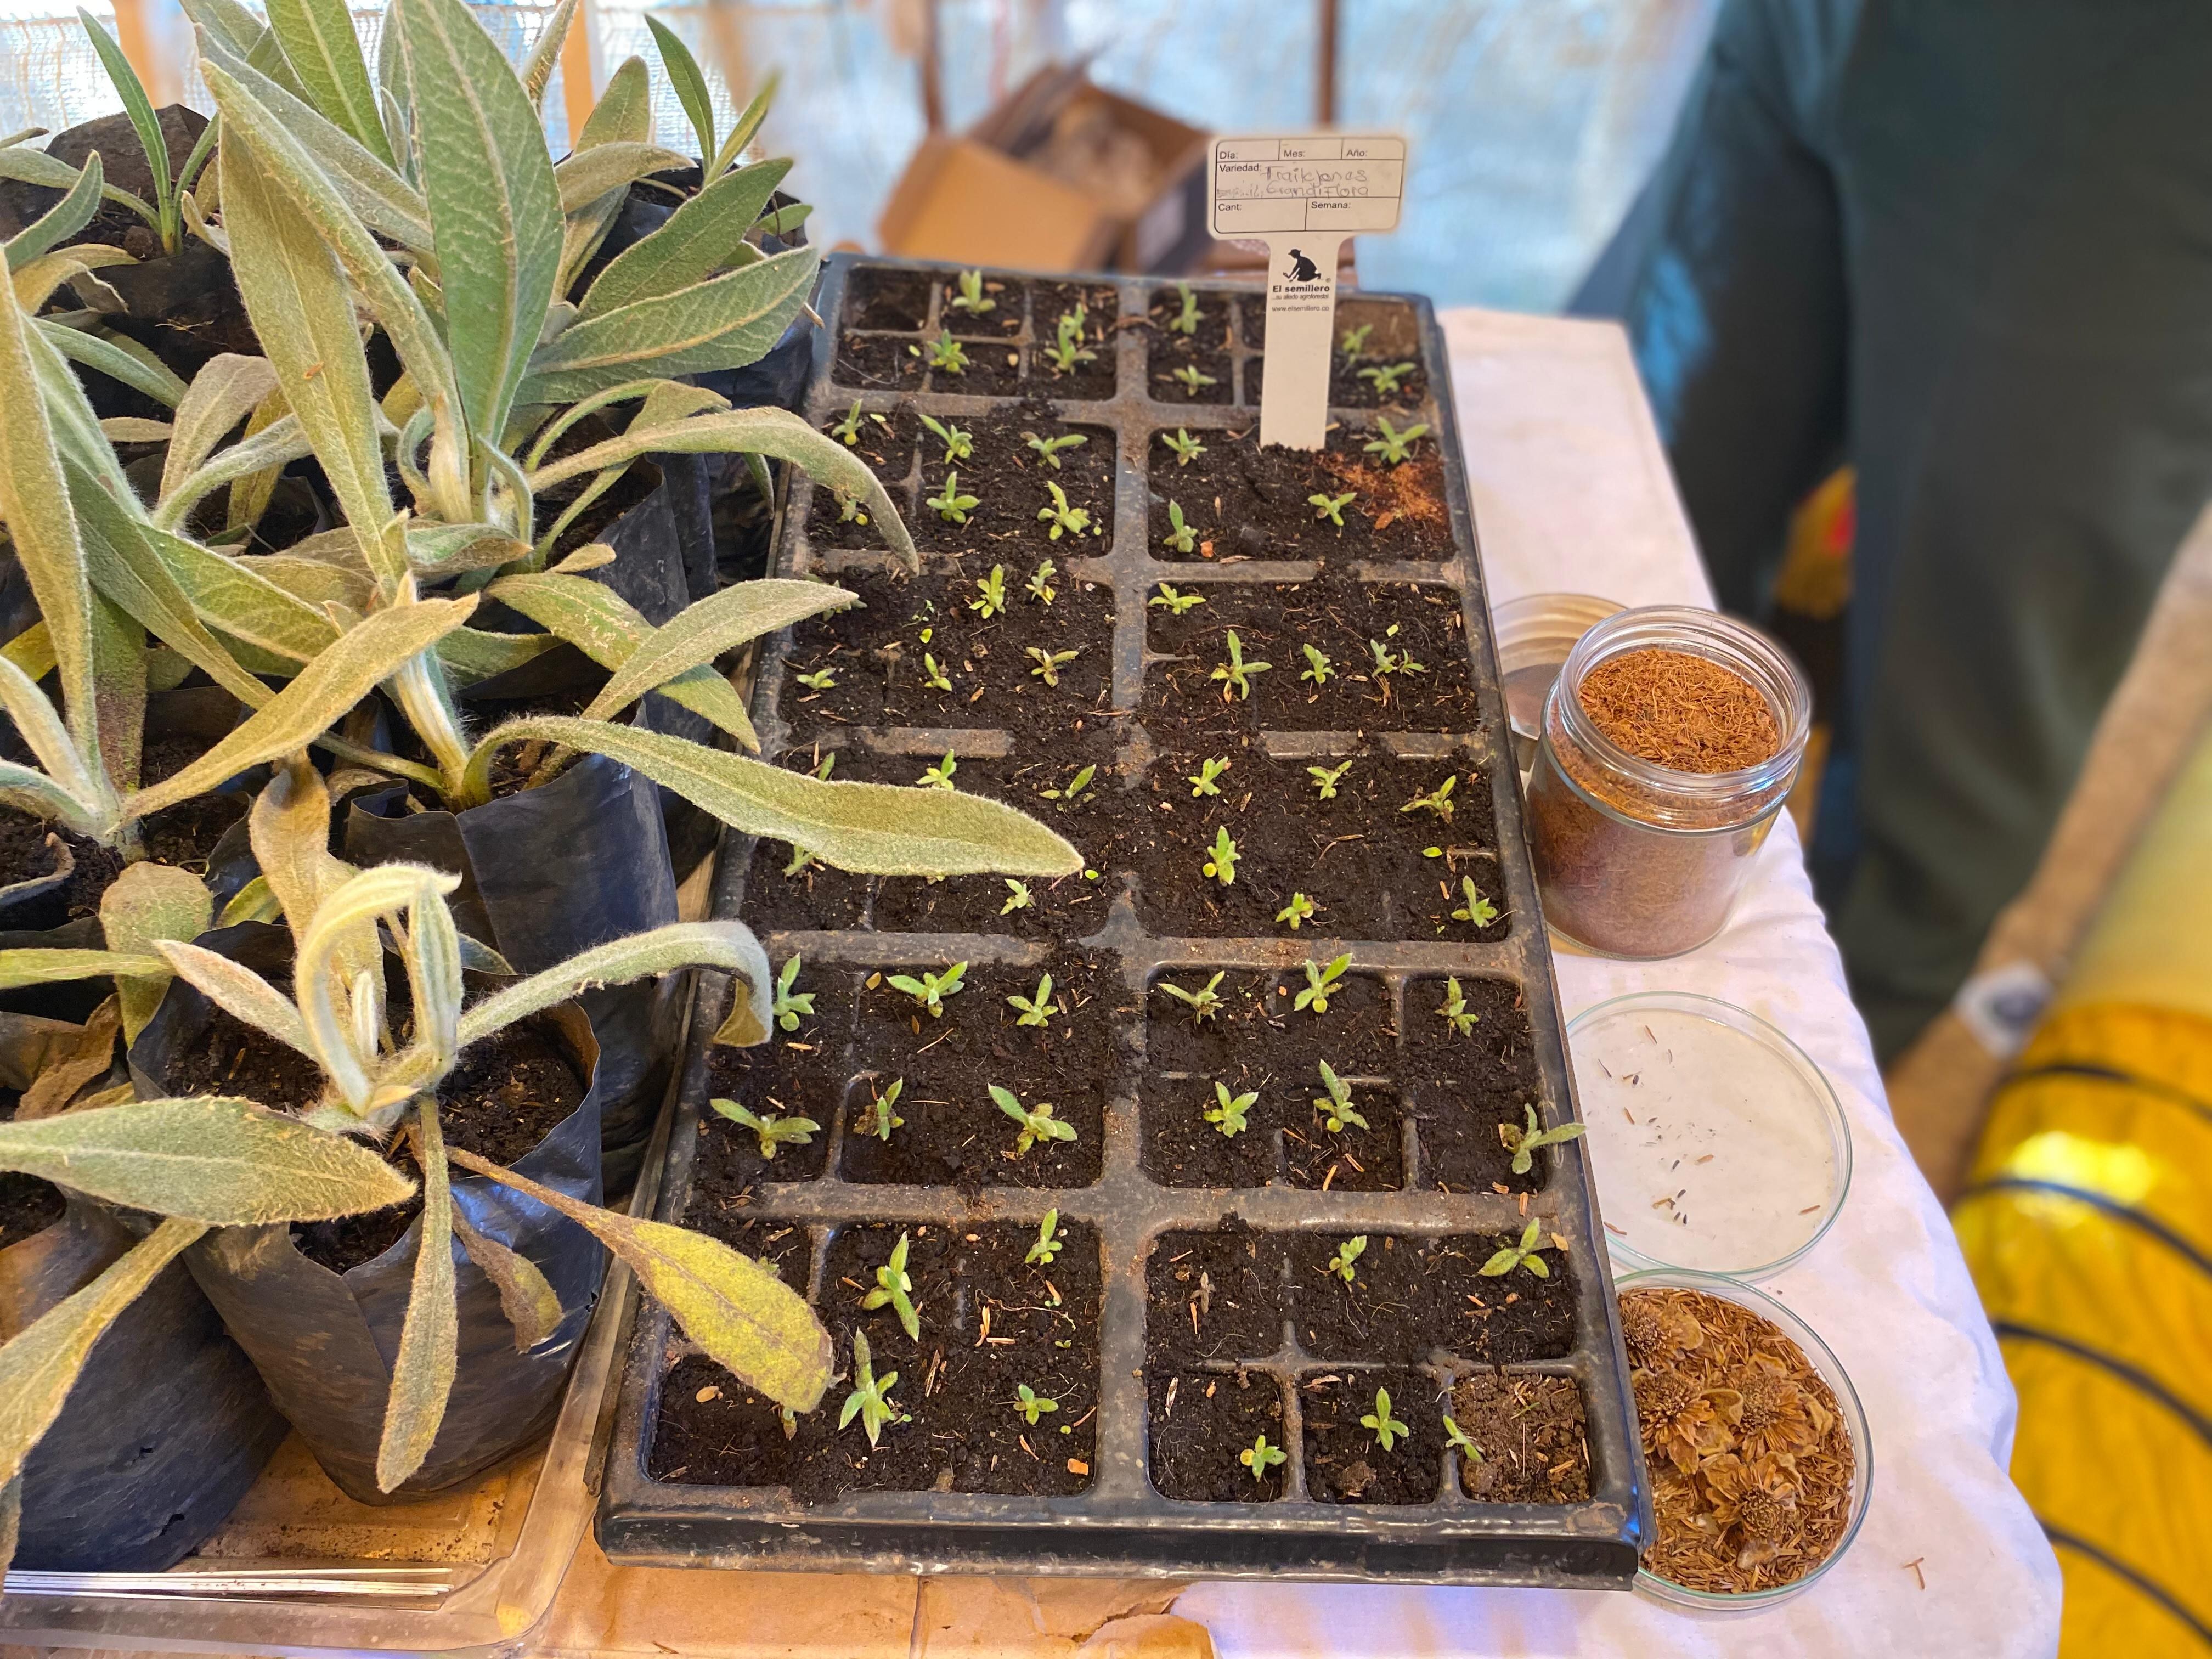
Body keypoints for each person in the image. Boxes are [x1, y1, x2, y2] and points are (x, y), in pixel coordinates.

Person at [1575, 0, 2212, 1058]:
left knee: (1954, 690)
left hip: (2126, 91)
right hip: (1803, 28)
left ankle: (1793, 1080)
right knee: (1630, 489)